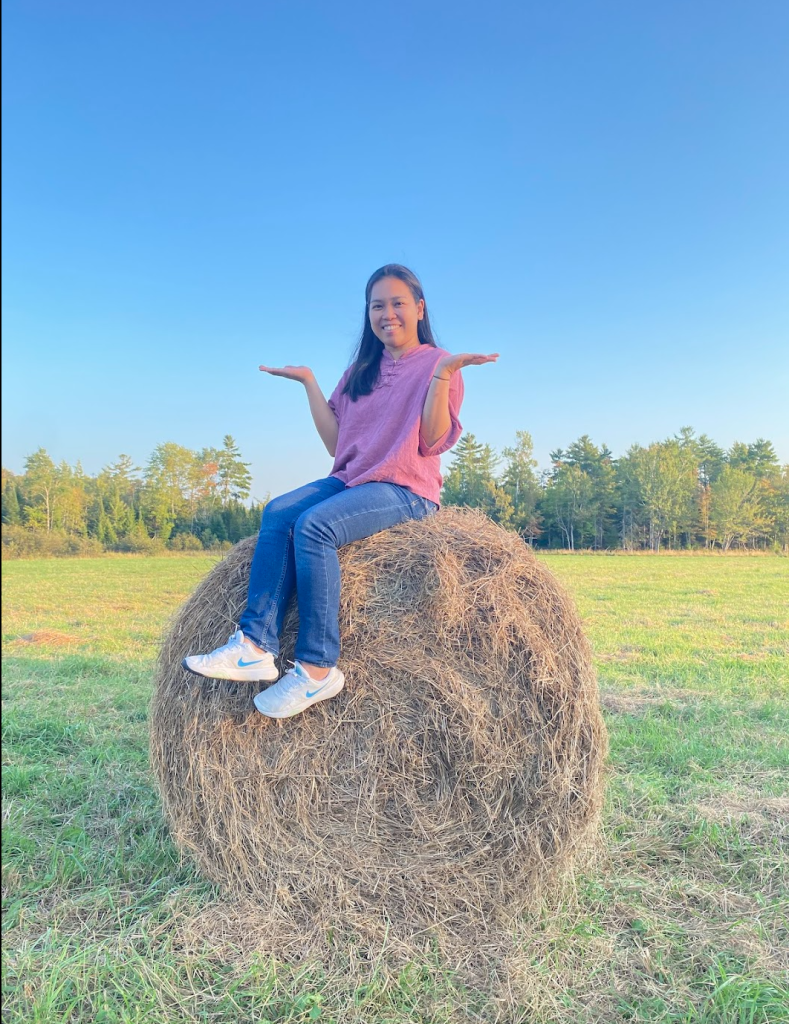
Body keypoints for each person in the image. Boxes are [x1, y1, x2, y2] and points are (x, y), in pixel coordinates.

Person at [183, 264, 498, 718]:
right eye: (377, 306)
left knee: (316, 527)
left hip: (405, 487)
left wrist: (445, 374)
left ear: (419, 308)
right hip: (353, 480)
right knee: (278, 512)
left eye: (397, 303)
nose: (387, 314)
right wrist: (310, 383)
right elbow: (338, 444)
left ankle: (316, 668)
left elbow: (431, 441)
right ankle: (255, 644)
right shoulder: (359, 371)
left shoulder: (437, 363)